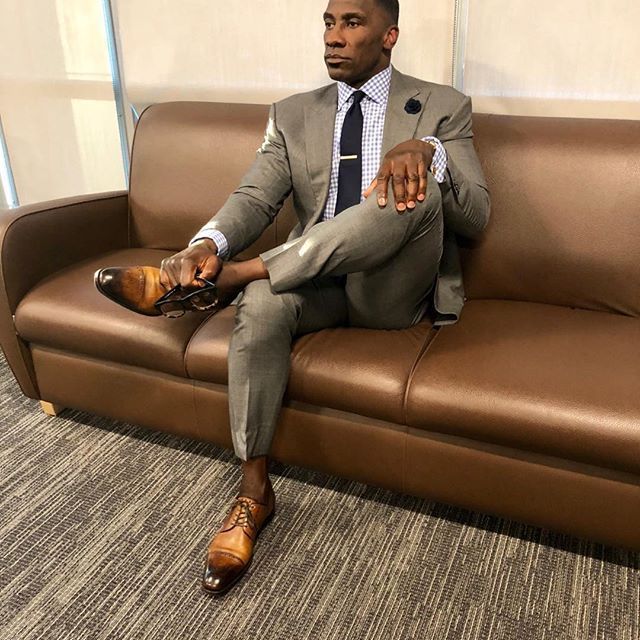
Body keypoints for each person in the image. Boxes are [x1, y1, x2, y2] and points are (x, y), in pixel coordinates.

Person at [95, 0, 490, 595]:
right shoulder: (293, 114)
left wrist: (429, 155)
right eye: (328, 23)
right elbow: (255, 196)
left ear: (391, 35)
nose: (334, 37)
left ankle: (234, 277)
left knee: (408, 192)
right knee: (261, 304)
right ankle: (253, 492)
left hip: (390, 289)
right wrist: (207, 243)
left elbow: (478, 216)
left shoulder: (441, 107)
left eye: (352, 23)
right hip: (312, 282)